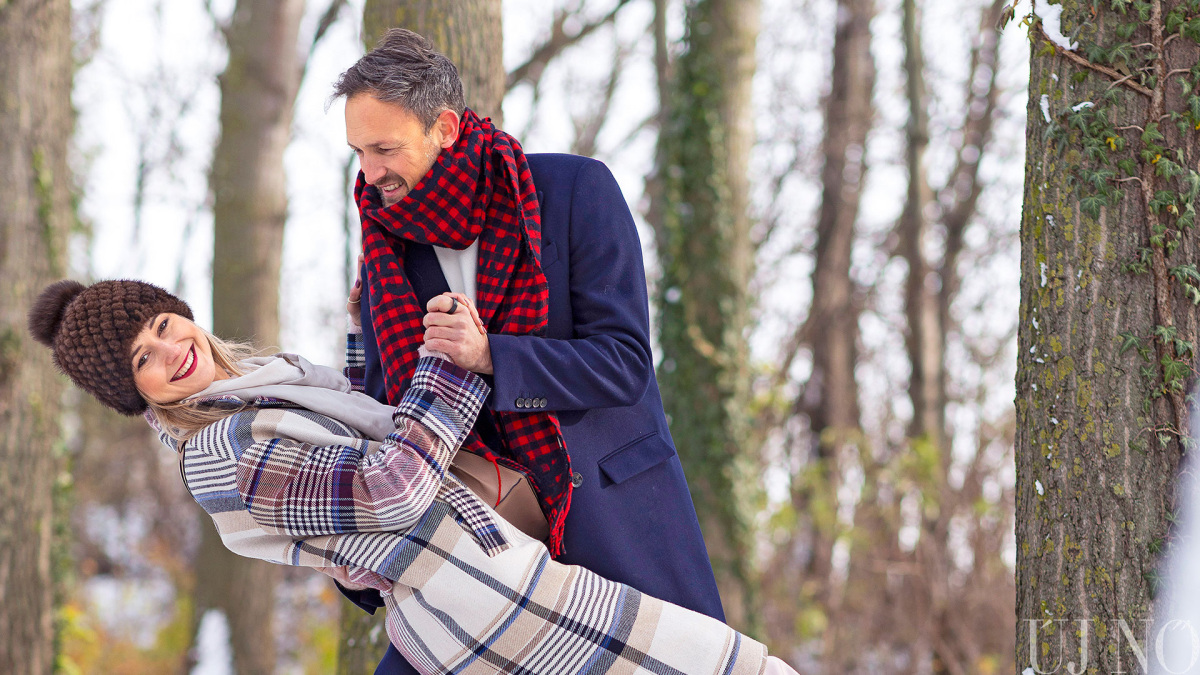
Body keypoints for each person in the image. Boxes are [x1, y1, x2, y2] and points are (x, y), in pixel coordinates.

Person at [27, 278, 799, 675]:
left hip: (490, 560)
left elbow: (360, 419)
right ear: (134, 393)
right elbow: (387, 487)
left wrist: (369, 325)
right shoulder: (223, 451)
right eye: (142, 360)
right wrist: (452, 365)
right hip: (486, 598)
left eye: (162, 325)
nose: (170, 350)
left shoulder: (265, 380)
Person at [334, 29, 726, 675]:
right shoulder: (385, 246)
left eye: (385, 149)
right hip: (481, 551)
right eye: (358, 152)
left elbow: (624, 362)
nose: (370, 175)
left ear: (446, 128)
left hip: (611, 523)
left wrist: (494, 356)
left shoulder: (574, 191)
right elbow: (387, 411)